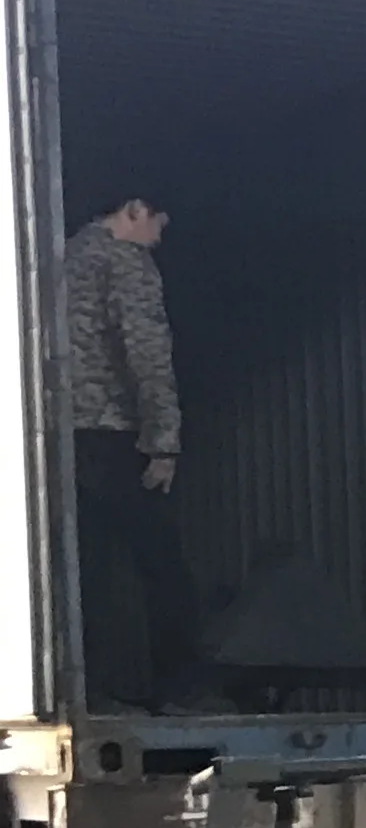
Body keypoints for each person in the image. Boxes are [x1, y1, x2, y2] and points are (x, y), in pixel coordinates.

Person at [63, 190, 198, 706]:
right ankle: (178, 689)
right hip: (113, 433)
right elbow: (147, 353)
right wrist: (163, 443)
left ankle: (85, 691)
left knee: (84, 569)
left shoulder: (62, 261)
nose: (158, 237)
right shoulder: (125, 262)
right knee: (162, 563)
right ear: (134, 209)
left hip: (61, 438)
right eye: (157, 223)